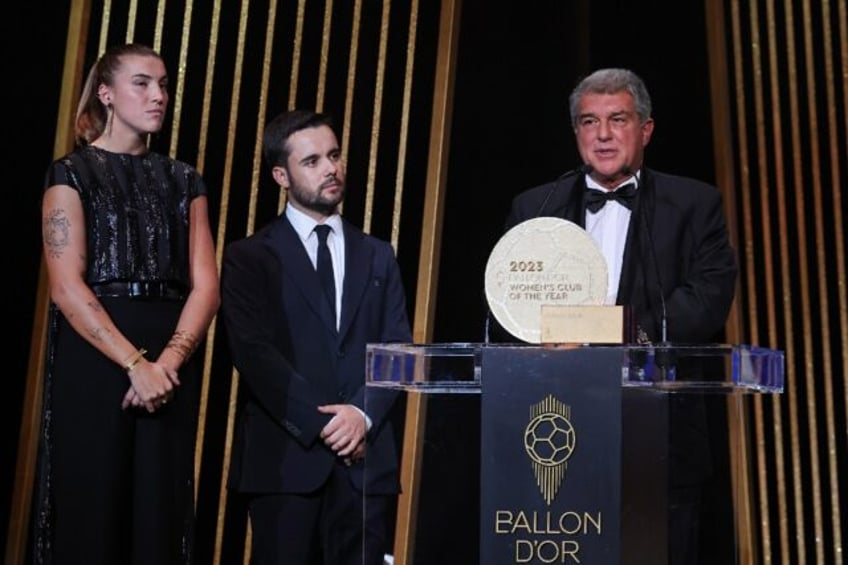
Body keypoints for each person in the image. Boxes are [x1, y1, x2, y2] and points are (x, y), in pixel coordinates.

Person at [502, 68, 738, 564]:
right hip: (557, 428)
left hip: (664, 436)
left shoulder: (694, 204)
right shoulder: (534, 207)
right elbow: (506, 302)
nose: (603, 135)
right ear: (576, 133)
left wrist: (624, 334)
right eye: (589, 122)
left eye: (618, 120)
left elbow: (707, 297)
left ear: (646, 129)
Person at [33, 43, 220, 564]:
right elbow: (67, 286)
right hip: (96, 357)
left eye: (163, 84)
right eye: (143, 83)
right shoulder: (69, 173)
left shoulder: (186, 180)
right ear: (107, 93)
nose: (159, 95)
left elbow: (206, 286)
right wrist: (134, 364)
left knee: (159, 514)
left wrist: (165, 365)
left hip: (168, 362)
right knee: (92, 509)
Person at [220, 109, 412, 565]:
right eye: (312, 161)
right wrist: (326, 422)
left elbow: (398, 350)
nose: (330, 168)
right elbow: (253, 354)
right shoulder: (249, 257)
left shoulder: (378, 255)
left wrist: (362, 416)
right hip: (286, 466)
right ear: (280, 175)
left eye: (334, 155)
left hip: (364, 466)